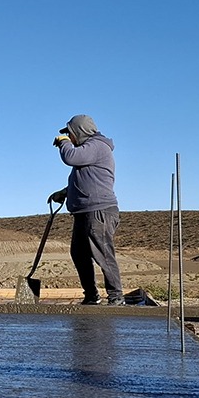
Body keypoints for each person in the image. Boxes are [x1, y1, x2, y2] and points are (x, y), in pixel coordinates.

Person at [54, 115, 124, 305]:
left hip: (99, 211)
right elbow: (89, 180)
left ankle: (116, 297)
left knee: (102, 253)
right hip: (84, 212)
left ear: (79, 131)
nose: (69, 136)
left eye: (70, 133)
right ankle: (91, 296)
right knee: (79, 253)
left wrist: (64, 142)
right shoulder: (90, 150)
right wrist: (65, 192)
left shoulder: (98, 146)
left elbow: (70, 157)